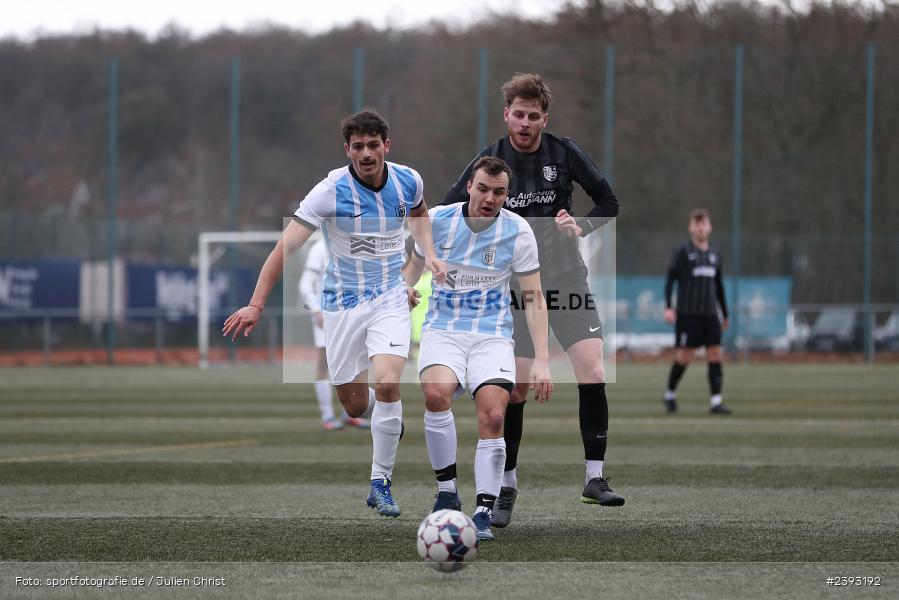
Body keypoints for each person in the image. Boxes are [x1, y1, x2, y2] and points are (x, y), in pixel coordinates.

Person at [223, 108, 446, 518]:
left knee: (390, 384)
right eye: (358, 146)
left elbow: (419, 214)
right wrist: (256, 304)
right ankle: (382, 423)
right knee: (356, 407)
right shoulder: (329, 192)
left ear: (386, 146)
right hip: (342, 306)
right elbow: (283, 249)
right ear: (347, 149)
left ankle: (380, 482)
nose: (366, 153)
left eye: (373, 145)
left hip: (390, 299)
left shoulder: (408, 180)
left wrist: (427, 254)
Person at [441, 73, 622, 529]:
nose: (525, 123)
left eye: (533, 116)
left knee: (594, 370)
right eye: (517, 115)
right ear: (506, 115)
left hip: (565, 280)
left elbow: (608, 202)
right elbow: (450, 209)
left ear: (545, 118)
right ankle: (507, 485)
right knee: (516, 388)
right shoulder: (491, 160)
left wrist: (580, 226)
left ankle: (594, 478)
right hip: (515, 290)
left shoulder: (563, 152)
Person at [405, 156, 552, 541]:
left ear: (507, 195)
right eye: (483, 188)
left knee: (494, 417)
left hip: (492, 336)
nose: (490, 198)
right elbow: (413, 264)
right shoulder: (437, 219)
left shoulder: (517, 231)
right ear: (469, 186)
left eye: (499, 192)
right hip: (443, 331)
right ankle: (447, 493)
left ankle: (484, 510)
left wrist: (542, 360)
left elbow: (534, 296)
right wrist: (406, 287)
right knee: (436, 394)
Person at [662, 209, 732, 415]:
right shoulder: (683, 251)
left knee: (715, 353)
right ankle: (670, 393)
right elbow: (670, 279)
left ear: (709, 227)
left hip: (710, 314)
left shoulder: (715, 253)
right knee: (684, 356)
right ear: (691, 227)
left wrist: (724, 313)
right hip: (687, 313)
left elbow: (719, 286)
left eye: (704, 223)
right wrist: (668, 306)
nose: (701, 227)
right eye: (697, 223)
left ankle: (716, 401)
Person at [297, 237, 370, 430]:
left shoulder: (355, 243)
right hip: (328, 315)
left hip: (355, 313)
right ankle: (327, 416)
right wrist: (315, 310)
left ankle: (350, 414)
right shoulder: (320, 247)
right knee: (324, 363)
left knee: (360, 362)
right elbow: (305, 284)